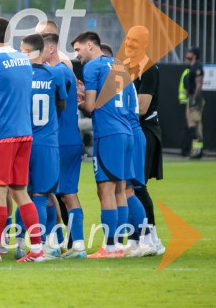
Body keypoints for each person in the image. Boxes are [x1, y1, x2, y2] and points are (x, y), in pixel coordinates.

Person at [0, 18, 45, 263]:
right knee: (21, 192)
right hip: (24, 133)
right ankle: (37, 250)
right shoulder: (24, 60)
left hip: (1, 135)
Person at [72, 30, 134, 259]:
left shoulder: (92, 67)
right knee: (120, 189)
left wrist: (79, 100)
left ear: (90, 45)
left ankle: (109, 247)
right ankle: (118, 244)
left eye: (78, 49)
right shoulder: (119, 65)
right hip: (126, 131)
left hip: (108, 133)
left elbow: (89, 106)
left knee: (105, 189)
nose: (77, 55)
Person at [19, 34, 66, 260]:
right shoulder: (55, 74)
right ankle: (45, 244)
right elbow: (62, 103)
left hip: (24, 142)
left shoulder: (20, 75)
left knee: (22, 194)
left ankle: (27, 244)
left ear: (27, 52)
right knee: (41, 196)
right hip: (48, 142)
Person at [41, 33, 86, 258]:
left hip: (55, 141)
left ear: (49, 49)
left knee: (44, 191)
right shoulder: (68, 71)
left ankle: (53, 242)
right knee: (69, 194)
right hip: (72, 139)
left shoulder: (52, 72)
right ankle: (78, 245)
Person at [124, 26, 165, 254]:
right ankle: (134, 238)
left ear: (145, 44)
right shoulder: (128, 66)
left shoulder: (148, 69)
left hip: (145, 130)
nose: (129, 44)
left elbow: (142, 106)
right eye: (128, 39)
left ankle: (153, 240)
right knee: (128, 185)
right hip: (133, 129)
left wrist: (116, 112)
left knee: (138, 186)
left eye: (135, 41)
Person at [183, 47, 205, 158]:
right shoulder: (190, 67)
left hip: (195, 100)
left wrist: (194, 99)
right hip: (190, 99)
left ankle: (198, 151)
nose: (187, 53)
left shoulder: (197, 67)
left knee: (195, 126)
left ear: (195, 55)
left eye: (190, 52)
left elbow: (199, 84)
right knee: (192, 126)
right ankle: (195, 150)